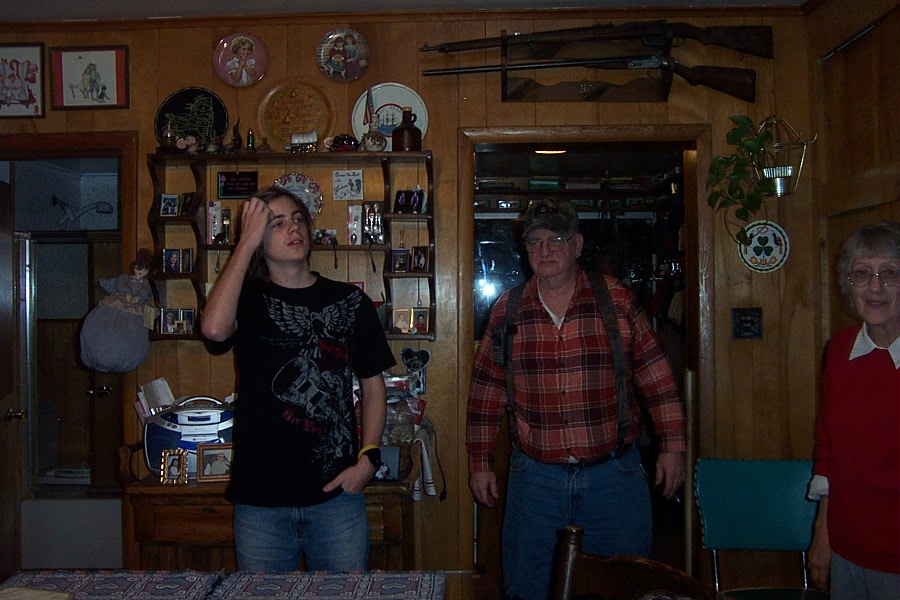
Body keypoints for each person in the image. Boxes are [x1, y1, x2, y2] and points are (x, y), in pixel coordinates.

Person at [467, 198, 686, 600]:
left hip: (613, 480)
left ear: (578, 245)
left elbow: (657, 379)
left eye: (556, 239)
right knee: (528, 590)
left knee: (622, 591)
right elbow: (486, 393)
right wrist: (479, 462)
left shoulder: (617, 301)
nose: (545, 250)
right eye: (535, 242)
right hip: (535, 484)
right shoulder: (507, 310)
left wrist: (673, 447)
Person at [200, 185, 395, 573]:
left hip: (337, 497)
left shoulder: (350, 302)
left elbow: (374, 388)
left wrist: (369, 459)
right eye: (275, 223)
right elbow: (214, 330)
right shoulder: (247, 299)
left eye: (298, 219)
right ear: (257, 239)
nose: (293, 228)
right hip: (261, 504)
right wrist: (245, 243)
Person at [807, 221, 900, 598]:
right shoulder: (839, 351)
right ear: (848, 285)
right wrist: (823, 534)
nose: (875, 287)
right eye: (862, 273)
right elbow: (829, 450)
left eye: (890, 273)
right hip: (847, 550)